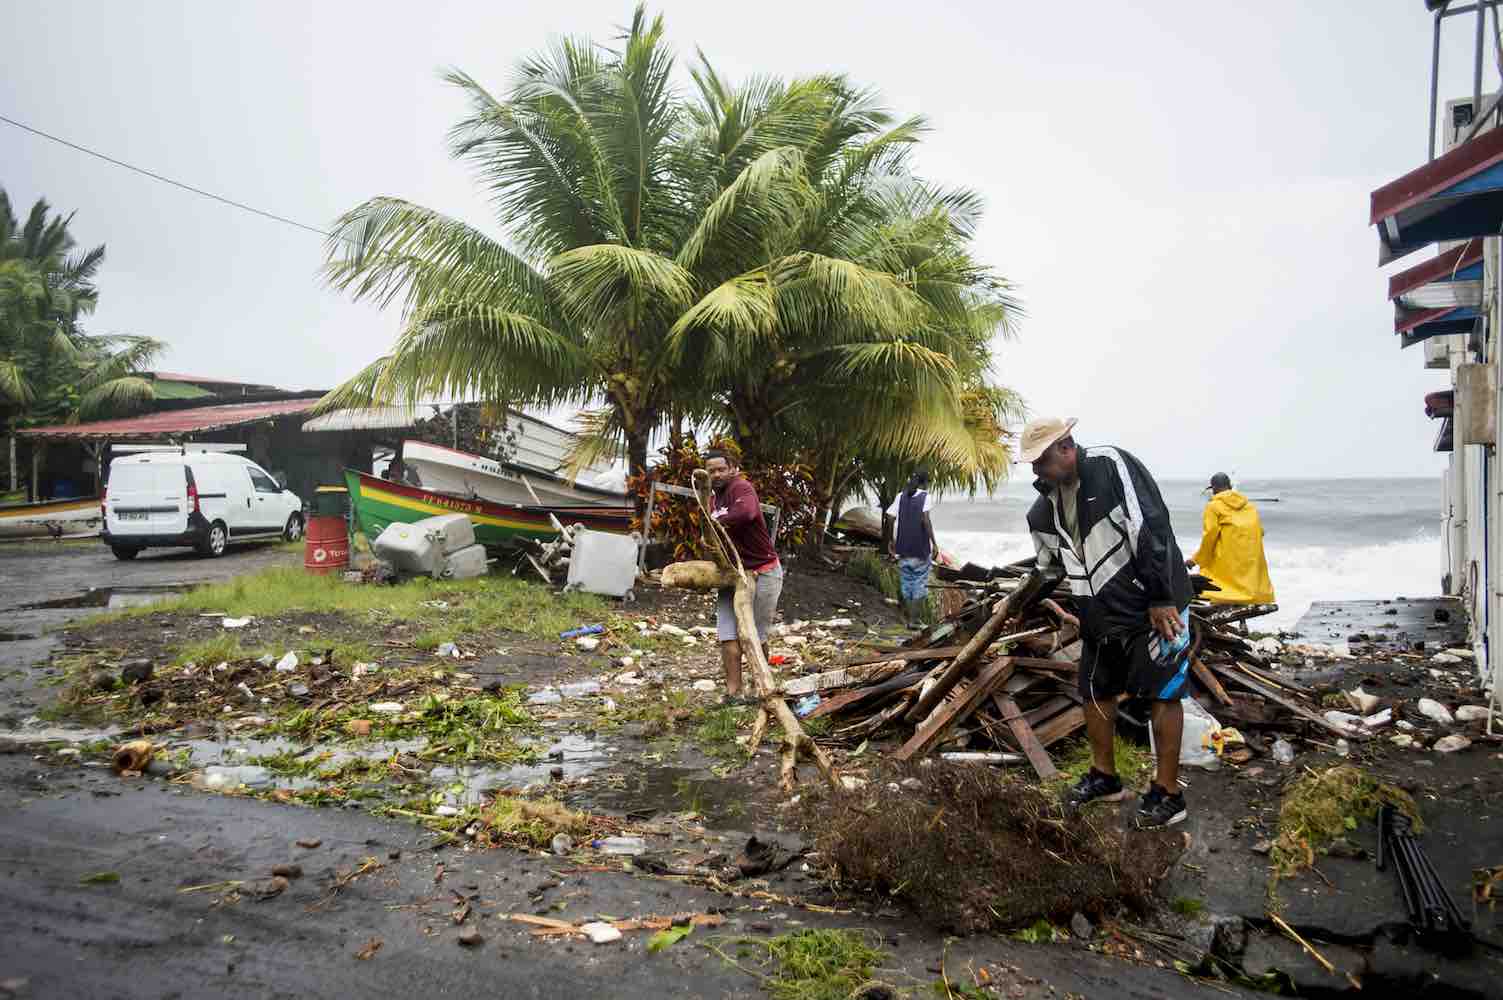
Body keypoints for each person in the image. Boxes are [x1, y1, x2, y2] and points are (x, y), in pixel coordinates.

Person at [1018, 417, 1194, 829]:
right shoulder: (1043, 509)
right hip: (1097, 613)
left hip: (1151, 606)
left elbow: (1151, 523)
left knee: (1163, 693)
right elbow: (1048, 568)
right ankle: (1105, 777)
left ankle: (1169, 792)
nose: (1036, 471)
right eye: (1031, 464)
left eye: (1041, 460)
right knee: (1095, 691)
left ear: (1066, 447)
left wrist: (1162, 595)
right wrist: (1026, 600)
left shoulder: (1110, 465)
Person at [705, 449, 783, 702]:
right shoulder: (711, 499)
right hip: (732, 574)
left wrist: (718, 519)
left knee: (755, 635)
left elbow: (747, 513)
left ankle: (762, 687)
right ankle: (733, 692)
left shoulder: (742, 488)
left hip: (763, 572)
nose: (716, 474)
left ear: (732, 469)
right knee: (727, 633)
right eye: (711, 471)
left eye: (720, 469)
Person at [1185, 473, 1274, 605]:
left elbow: (1210, 536)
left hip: (1228, 565)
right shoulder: (1250, 507)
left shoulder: (1213, 506)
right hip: (1250, 563)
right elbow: (1260, 532)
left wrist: (1195, 560)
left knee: (1208, 582)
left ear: (1213, 489)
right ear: (1230, 486)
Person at [885, 469, 939, 628]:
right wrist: (934, 543)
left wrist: (891, 540)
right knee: (920, 584)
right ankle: (914, 621)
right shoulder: (925, 496)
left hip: (903, 548)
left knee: (907, 583)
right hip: (920, 548)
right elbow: (926, 520)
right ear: (925, 483)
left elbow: (889, 518)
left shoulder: (900, 496)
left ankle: (909, 619)